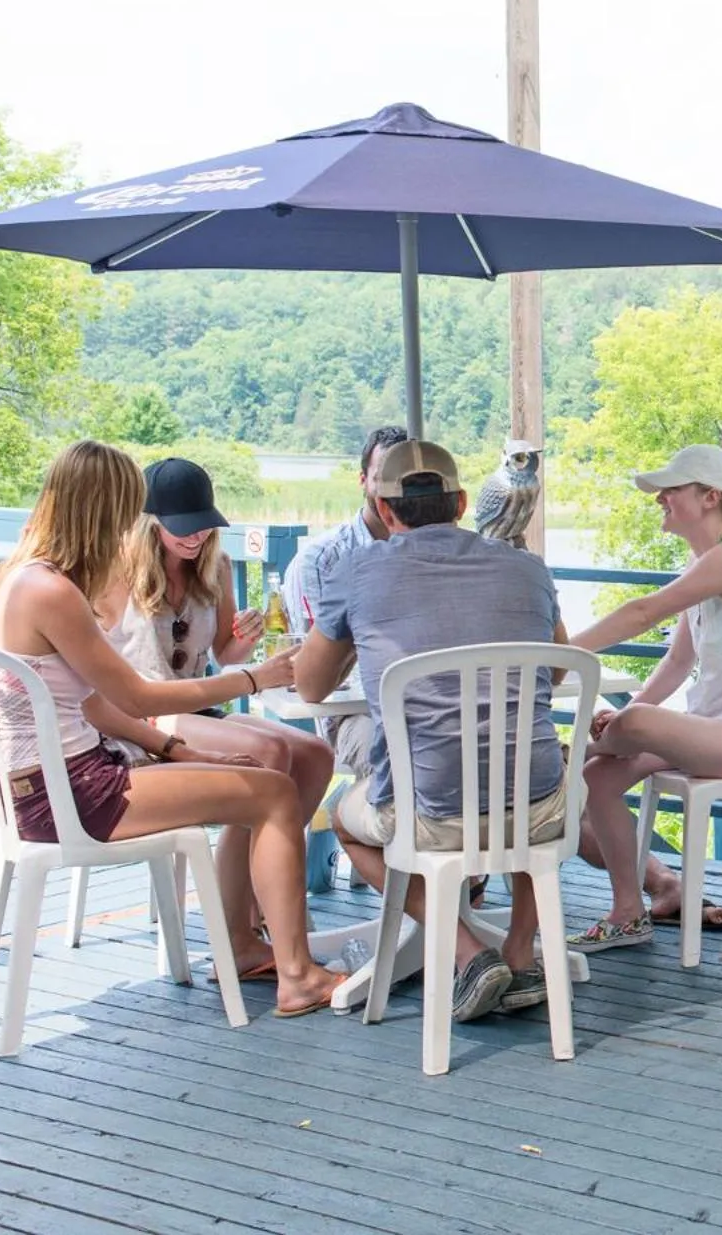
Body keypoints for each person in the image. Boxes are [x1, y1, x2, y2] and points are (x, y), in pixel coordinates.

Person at [0, 440, 339, 1015]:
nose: (130, 523)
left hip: (50, 785)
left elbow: (93, 705)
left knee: (269, 777)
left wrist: (179, 750)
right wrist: (249, 679)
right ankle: (294, 974)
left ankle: (252, 946)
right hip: (73, 792)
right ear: (102, 510)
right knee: (273, 793)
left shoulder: (17, 578)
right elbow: (136, 696)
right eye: (126, 509)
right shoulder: (52, 592)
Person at [294, 441, 571, 1024]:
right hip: (541, 808)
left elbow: (311, 686)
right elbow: (557, 669)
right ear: (463, 503)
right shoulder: (527, 568)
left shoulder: (356, 570)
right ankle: (520, 952)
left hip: (429, 815)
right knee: (523, 771)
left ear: (384, 508)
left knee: (345, 820)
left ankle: (468, 953)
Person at [563, 444, 722, 950]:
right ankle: (628, 912)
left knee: (632, 724)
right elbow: (676, 663)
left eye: (670, 490)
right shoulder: (706, 562)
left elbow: (642, 612)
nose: (659, 499)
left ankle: (572, 750)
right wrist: (627, 716)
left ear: (710, 496)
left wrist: (560, 653)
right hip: (716, 729)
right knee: (597, 779)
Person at [95, 457, 335, 827]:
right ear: (149, 523)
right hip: (142, 713)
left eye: (204, 525)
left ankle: (265, 858)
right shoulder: (114, 572)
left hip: (196, 707)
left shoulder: (216, 566)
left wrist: (247, 636)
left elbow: (226, 655)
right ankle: (253, 861)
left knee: (316, 754)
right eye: (183, 528)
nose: (196, 537)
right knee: (268, 752)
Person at [281, 425, 408, 779]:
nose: (393, 490)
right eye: (382, 478)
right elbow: (315, 673)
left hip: (426, 706)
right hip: (353, 714)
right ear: (363, 480)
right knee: (389, 760)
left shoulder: (435, 556)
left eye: (404, 479)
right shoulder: (323, 560)